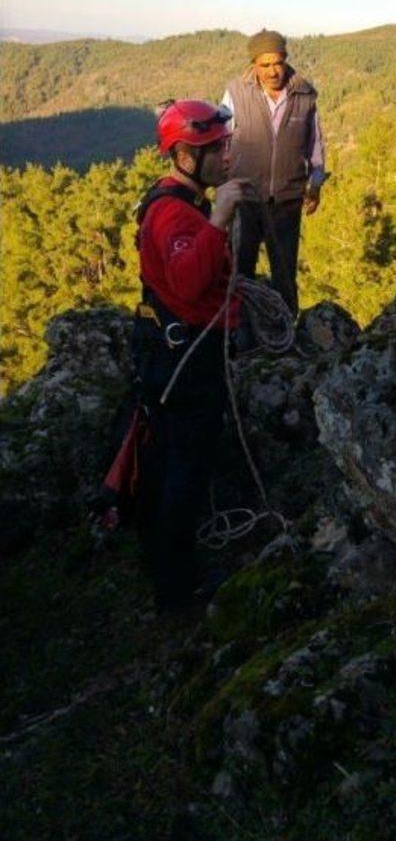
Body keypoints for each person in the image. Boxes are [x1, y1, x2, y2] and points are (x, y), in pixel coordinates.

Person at [132, 98, 250, 615]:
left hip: (184, 349)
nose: (226, 155)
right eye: (214, 149)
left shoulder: (183, 203)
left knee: (181, 461)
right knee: (185, 466)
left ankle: (171, 572)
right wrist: (220, 219)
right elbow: (186, 278)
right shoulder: (174, 214)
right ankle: (176, 596)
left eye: (224, 146)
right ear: (184, 156)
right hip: (184, 361)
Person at [221, 29, 326, 315]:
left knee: (284, 273)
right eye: (264, 64)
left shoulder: (304, 94)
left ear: (286, 60)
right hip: (246, 199)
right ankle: (237, 330)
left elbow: (315, 144)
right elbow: (223, 139)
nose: (272, 71)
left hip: (287, 200)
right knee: (239, 272)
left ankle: (288, 331)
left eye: (277, 62)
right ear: (253, 64)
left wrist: (316, 184)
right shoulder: (235, 93)